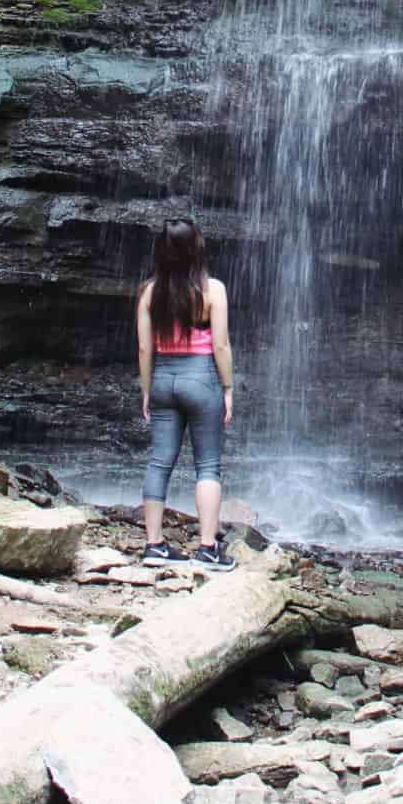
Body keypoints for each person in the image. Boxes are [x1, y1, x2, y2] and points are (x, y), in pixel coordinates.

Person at [137, 216, 236, 571]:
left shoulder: (149, 293)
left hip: (163, 376)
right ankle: (207, 549)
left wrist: (148, 390)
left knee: (159, 462)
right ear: (197, 248)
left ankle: (154, 546)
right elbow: (221, 345)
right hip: (201, 378)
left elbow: (145, 349)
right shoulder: (213, 290)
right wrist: (227, 388)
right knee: (207, 465)